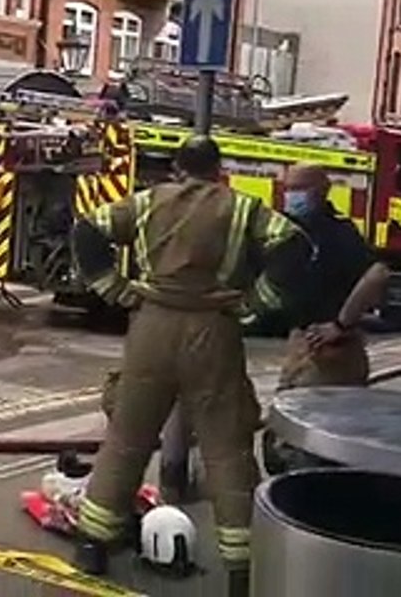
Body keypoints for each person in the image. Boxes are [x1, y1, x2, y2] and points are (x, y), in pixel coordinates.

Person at [70, 136, 308, 597]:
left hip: (151, 328)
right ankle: (241, 568)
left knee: (126, 439)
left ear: (177, 169)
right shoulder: (241, 207)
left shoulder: (145, 202)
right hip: (213, 331)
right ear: (219, 171)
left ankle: (92, 545)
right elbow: (293, 247)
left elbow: (87, 231)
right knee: (226, 447)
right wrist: (257, 303)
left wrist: (115, 290)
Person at [261, 163, 391, 474]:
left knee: (306, 441)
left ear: (321, 191)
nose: (291, 196)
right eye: (288, 189)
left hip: (328, 353)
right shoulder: (292, 230)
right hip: (306, 345)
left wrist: (340, 324)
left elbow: (379, 273)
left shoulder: (336, 234)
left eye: (298, 189)